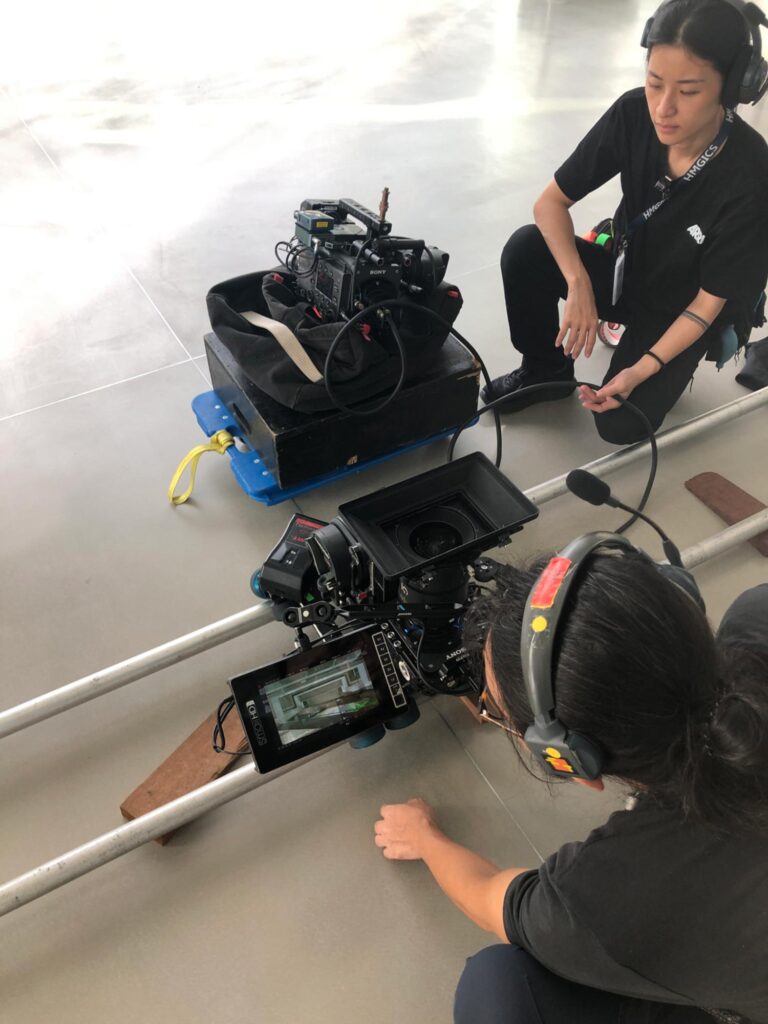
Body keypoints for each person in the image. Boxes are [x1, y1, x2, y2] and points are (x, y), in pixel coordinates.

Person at [374, 548, 768, 1023]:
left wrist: (424, 837)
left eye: (499, 713)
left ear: (571, 759)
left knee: (499, 987)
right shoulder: (758, 612)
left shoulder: (599, 897)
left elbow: (491, 897)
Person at [481, 0, 768, 445]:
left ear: (731, 87)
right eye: (654, 83)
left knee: (620, 424)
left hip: (682, 308)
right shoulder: (633, 114)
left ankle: (668, 366)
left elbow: (708, 304)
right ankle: (545, 369)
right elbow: (550, 204)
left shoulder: (751, 174)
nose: (663, 108)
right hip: (624, 271)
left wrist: (642, 369)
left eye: (688, 92)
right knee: (526, 249)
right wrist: (578, 283)